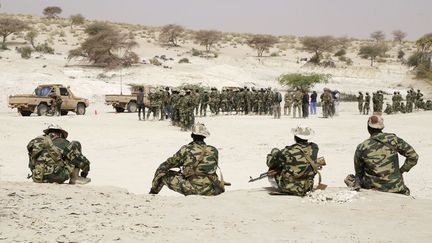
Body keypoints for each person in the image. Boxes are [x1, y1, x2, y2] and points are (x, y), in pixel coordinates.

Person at [345, 115, 418, 195]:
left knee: (349, 178)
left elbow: (359, 173)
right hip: (397, 187)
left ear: (368, 127)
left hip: (375, 188)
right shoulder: (393, 139)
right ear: (382, 127)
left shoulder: (362, 146)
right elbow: (413, 156)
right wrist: (401, 171)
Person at [149, 123, 226, 196]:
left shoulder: (186, 149)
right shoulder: (213, 150)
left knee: (163, 174)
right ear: (204, 136)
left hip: (193, 188)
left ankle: (152, 194)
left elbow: (168, 164)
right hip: (212, 188)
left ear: (192, 135)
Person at [266, 125, 322, 196]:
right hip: (308, 186)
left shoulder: (287, 151)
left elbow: (270, 163)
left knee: (276, 158)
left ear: (295, 137)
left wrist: (271, 155)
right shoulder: (314, 147)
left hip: (289, 188)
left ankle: (281, 186)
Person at [27, 124, 91, 184]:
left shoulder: (35, 141)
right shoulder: (61, 142)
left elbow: (31, 160)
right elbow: (81, 160)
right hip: (56, 176)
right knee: (75, 144)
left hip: (37, 177)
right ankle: (75, 178)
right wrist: (85, 172)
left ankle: (37, 174)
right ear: (60, 133)